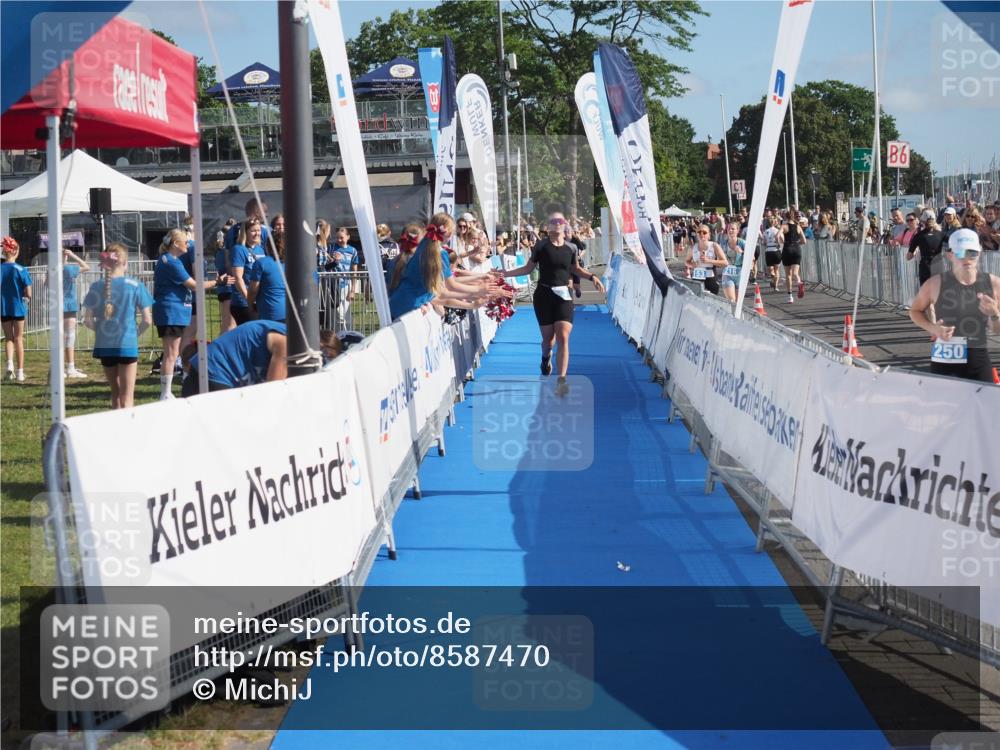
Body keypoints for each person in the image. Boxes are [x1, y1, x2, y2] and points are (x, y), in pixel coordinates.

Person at [499, 212, 605, 396]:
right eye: (553, 222)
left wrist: (593, 277)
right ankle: (545, 358)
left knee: (563, 336)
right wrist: (505, 274)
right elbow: (528, 268)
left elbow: (576, 268)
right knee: (549, 340)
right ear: (548, 226)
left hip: (564, 295)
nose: (557, 224)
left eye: (560, 221)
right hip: (544, 295)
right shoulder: (541, 246)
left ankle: (561, 380)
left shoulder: (571, 248)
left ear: (565, 226)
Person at [909, 228, 1000, 383]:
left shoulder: (993, 283)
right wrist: (933, 328)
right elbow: (914, 311)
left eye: (972, 253)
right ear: (950, 255)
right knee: (943, 407)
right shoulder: (935, 284)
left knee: (987, 406)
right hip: (945, 362)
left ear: (979, 253)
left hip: (978, 362)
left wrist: (994, 314)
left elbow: (996, 330)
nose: (967, 259)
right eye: (960, 253)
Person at [154, 228, 226, 400]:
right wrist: (217, 282)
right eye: (186, 242)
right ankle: (165, 393)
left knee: (172, 353)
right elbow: (194, 285)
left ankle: (167, 391)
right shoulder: (172, 262)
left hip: (173, 311)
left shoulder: (169, 260)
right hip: (171, 311)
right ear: (176, 243)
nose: (188, 244)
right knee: (171, 353)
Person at [388, 213, 500, 320]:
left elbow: (443, 291)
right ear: (449, 233)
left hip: (399, 305)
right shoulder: (439, 253)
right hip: (409, 309)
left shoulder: (424, 246)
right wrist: (478, 290)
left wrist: (477, 294)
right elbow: (451, 286)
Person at [82, 243, 154, 409]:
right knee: (127, 397)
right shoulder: (136, 285)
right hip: (127, 344)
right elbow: (147, 320)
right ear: (125, 262)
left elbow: (87, 320)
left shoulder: (96, 286)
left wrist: (100, 331)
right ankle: (128, 432)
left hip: (105, 345)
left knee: (115, 394)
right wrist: (135, 334)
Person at [181, 319, 287, 397]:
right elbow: (273, 392)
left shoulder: (283, 334)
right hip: (217, 375)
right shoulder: (286, 341)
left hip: (204, 370)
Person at [1, 236, 31, 381]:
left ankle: (9, 366)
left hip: (3, 308)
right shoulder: (21, 269)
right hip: (18, 307)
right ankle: (20, 372)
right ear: (15, 251)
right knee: (19, 338)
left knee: (8, 338)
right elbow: (29, 292)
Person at [60, 247, 90, 378]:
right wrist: (73, 255)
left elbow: (47, 285)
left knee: (60, 337)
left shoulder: (53, 269)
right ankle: (70, 367)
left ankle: (60, 368)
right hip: (69, 304)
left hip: (57, 304)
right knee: (70, 336)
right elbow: (86, 267)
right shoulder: (70, 269)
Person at [229, 217, 266, 326]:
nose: (257, 233)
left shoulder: (260, 249)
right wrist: (249, 300)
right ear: (245, 232)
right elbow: (237, 277)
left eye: (258, 230)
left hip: (258, 301)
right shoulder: (239, 249)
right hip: (243, 304)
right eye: (253, 231)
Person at [248, 233, 286, 323]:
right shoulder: (295, 263)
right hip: (293, 311)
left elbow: (253, 291)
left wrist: (250, 305)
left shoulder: (261, 263)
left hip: (270, 313)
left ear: (268, 246)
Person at [329, 227, 360, 330]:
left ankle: (349, 334)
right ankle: (340, 335)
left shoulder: (353, 251)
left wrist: (352, 290)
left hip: (345, 285)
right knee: (337, 314)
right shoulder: (331, 247)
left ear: (348, 237)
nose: (339, 240)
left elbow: (354, 271)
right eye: (337, 237)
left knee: (345, 312)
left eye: (341, 237)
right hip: (333, 285)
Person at [684, 224, 728, 297]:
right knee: (697, 302)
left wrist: (709, 261)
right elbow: (686, 261)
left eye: (704, 232)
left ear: (709, 235)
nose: (702, 234)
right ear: (696, 234)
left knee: (711, 302)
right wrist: (692, 265)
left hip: (711, 277)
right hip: (697, 278)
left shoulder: (714, 246)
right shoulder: (692, 248)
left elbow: (725, 263)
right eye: (699, 232)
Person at [908, 210, 946, 286]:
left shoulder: (918, 235)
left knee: (926, 293)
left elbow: (909, 256)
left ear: (923, 221)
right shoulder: (941, 234)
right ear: (934, 220)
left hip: (925, 267)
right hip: (938, 265)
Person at [214, 227, 236, 334]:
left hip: (223, 290)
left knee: (226, 322)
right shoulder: (228, 252)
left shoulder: (219, 252)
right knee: (230, 323)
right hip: (229, 289)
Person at [782, 209, 806, 302]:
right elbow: (804, 241)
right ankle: (799, 282)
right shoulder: (798, 227)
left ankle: (790, 297)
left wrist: (781, 241)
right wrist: (796, 244)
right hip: (796, 249)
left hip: (787, 249)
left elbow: (777, 236)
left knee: (788, 274)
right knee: (795, 273)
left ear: (785, 217)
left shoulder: (784, 226)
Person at [763, 216, 783, 290]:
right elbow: (782, 240)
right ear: (775, 222)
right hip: (776, 250)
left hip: (769, 250)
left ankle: (773, 278)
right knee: (777, 269)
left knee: (771, 270)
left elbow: (764, 242)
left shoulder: (766, 231)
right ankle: (776, 286)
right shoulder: (778, 230)